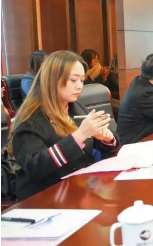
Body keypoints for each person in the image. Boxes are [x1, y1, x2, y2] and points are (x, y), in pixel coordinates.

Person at [8, 51, 120, 199]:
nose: (79, 86)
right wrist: (80, 135)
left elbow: (100, 145)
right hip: (44, 196)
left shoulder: (75, 107)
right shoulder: (30, 118)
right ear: (52, 80)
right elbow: (36, 167)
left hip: (79, 188)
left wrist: (106, 139)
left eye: (82, 80)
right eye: (73, 80)